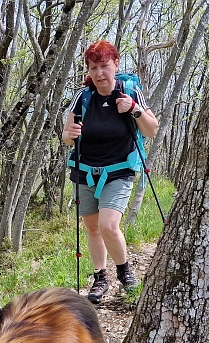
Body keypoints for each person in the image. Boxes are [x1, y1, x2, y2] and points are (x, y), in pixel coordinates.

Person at [61, 40, 158, 304]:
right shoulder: (83, 97)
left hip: (119, 169)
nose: (99, 73)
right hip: (84, 170)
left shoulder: (130, 91)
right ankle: (100, 278)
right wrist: (70, 134)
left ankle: (125, 272)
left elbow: (151, 129)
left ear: (115, 64)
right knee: (93, 228)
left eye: (104, 66)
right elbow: (67, 136)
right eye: (93, 68)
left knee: (108, 225)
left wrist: (134, 109)